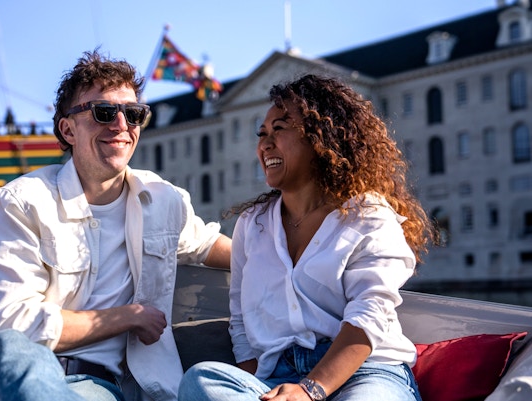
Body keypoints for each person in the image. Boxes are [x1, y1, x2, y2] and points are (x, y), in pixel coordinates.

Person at [0, 50, 231, 401]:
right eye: (104, 112)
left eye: (133, 115)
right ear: (67, 129)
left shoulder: (163, 201)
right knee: (15, 350)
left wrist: (297, 250)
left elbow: (211, 245)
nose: (121, 126)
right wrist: (127, 317)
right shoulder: (21, 202)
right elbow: (17, 324)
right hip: (3, 380)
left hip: (95, 390)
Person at [179, 74, 435, 401]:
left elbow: (368, 319)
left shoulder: (370, 217)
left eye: (280, 129)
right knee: (200, 381)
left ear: (321, 138)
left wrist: (310, 390)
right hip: (278, 374)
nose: (265, 144)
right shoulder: (252, 225)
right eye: (262, 134)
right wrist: (257, 389)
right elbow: (241, 322)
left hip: (366, 371)